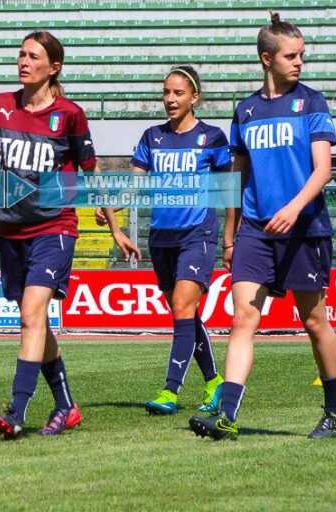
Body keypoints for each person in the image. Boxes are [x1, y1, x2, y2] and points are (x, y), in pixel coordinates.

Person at [189, 13, 336, 440]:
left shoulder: (312, 102)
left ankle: (335, 411)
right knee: (243, 319)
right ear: (266, 59)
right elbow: (238, 176)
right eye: (291, 56)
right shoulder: (246, 110)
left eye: (302, 56)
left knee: (314, 321)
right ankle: (227, 415)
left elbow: (323, 170)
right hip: (256, 231)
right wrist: (229, 232)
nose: (299, 63)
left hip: (304, 228)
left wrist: (295, 208)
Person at [0, 31, 94, 438]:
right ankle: (66, 406)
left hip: (55, 226)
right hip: (12, 228)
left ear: (53, 68)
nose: (24, 61)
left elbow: (90, 171)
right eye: (21, 54)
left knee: (33, 314)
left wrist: (114, 224)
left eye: (34, 56)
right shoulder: (2, 106)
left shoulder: (69, 114)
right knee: (33, 321)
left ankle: (16, 411)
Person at [105, 66, 229, 415]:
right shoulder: (152, 137)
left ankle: (170, 391)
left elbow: (228, 189)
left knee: (181, 309)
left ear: (195, 97)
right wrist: (113, 211)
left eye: (178, 93)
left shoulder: (213, 138)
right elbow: (135, 183)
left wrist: (230, 238)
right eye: (166, 93)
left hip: (198, 234)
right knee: (185, 314)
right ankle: (214, 382)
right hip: (161, 238)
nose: (170, 99)